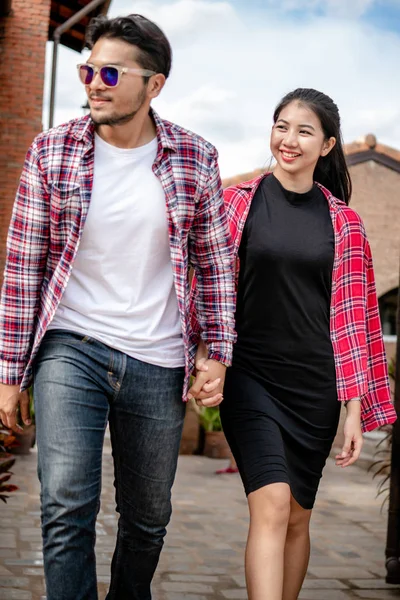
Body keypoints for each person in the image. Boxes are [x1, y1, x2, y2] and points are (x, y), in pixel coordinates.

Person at [0, 13, 236, 600]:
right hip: (71, 346)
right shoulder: (53, 151)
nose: (93, 82)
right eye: (86, 69)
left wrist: (219, 354)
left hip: (159, 359)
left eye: (109, 71)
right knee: (65, 504)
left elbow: (214, 265)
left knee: (148, 519)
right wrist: (8, 376)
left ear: (153, 85)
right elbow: (22, 269)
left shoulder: (194, 157)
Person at [189, 88, 397, 600]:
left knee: (299, 518)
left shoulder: (346, 225)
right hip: (252, 378)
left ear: (326, 146)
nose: (289, 139)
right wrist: (205, 358)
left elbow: (360, 320)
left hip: (316, 389)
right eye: (282, 126)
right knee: (273, 504)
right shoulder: (237, 204)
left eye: (304, 131)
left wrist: (354, 406)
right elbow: (206, 287)